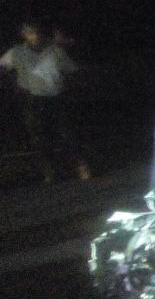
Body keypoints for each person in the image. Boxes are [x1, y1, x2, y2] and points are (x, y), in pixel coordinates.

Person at [0, 20, 89, 182]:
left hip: (56, 97)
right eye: (30, 32)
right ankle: (50, 171)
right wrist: (14, 83)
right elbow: (2, 67)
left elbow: (72, 70)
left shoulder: (55, 51)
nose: (35, 35)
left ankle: (81, 166)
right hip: (33, 100)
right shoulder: (17, 53)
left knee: (67, 133)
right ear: (24, 35)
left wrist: (69, 88)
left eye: (36, 32)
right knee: (39, 137)